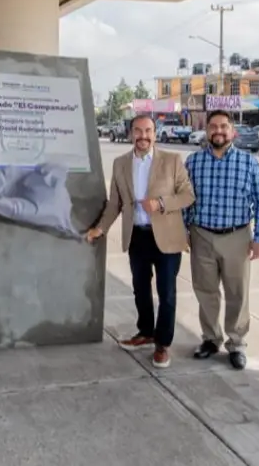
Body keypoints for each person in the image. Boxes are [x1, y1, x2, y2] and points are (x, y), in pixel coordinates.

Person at [86, 115, 195, 368]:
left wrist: (162, 204)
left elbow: (188, 195)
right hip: (137, 236)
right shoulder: (120, 163)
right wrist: (100, 229)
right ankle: (146, 332)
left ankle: (162, 344)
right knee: (140, 289)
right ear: (130, 133)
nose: (143, 136)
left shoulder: (172, 160)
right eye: (138, 131)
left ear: (155, 134)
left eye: (148, 131)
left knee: (166, 293)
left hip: (166, 238)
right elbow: (115, 203)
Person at [184, 109, 259, 370]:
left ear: (233, 131)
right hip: (202, 235)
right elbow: (185, 200)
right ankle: (210, 339)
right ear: (207, 130)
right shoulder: (193, 162)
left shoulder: (249, 163)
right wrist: (184, 231)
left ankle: (236, 343)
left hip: (237, 236)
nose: (218, 131)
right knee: (206, 291)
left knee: (237, 293)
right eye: (213, 127)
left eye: (223, 126)